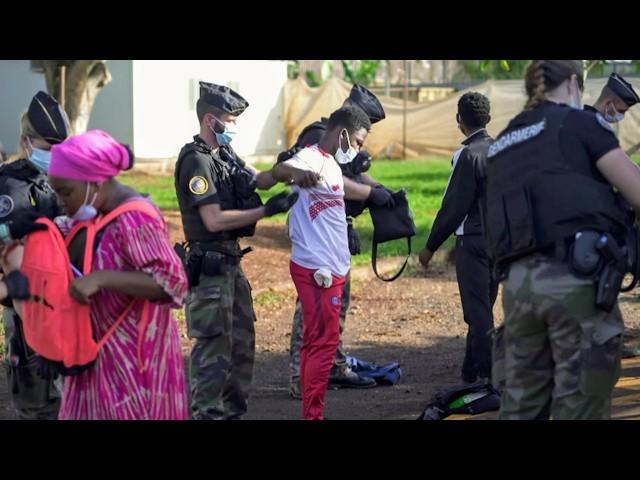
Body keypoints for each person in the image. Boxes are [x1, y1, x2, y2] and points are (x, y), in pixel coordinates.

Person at [485, 60, 640, 420]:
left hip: (518, 288)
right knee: (579, 404)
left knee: (522, 405)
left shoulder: (504, 139)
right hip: (574, 280)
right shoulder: (581, 124)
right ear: (573, 82)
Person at [45, 129, 189, 420]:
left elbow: (173, 283)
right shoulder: (96, 214)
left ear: (94, 182)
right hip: (99, 359)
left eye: (65, 192)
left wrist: (101, 279)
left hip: (135, 369)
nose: (61, 201)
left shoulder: (135, 219)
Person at [175, 81, 298, 420]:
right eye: (229, 121)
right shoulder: (196, 162)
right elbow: (212, 220)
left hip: (232, 266)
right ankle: (207, 414)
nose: (233, 127)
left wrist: (282, 170)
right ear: (209, 120)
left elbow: (256, 179)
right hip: (210, 269)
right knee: (213, 351)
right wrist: (265, 212)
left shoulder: (224, 155)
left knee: (242, 349)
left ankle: (231, 413)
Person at [272, 105, 395, 420]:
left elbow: (337, 187)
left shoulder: (331, 160)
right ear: (342, 131)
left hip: (333, 261)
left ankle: (311, 404)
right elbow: (284, 169)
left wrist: (372, 193)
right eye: (357, 141)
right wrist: (296, 173)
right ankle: (310, 406)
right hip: (318, 267)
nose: (358, 149)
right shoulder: (313, 151)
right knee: (320, 341)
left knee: (322, 340)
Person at [418, 92, 497, 385]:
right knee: (483, 306)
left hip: (472, 243)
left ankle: (491, 376)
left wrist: (430, 247)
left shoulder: (466, 155)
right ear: (488, 119)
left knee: (478, 314)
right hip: (500, 242)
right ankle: (471, 370)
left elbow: (454, 206)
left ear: (458, 120)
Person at [0, 91, 68, 420]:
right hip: (28, 310)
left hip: (68, 307)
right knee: (37, 404)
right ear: (27, 141)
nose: (54, 154)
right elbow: (8, 253)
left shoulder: (66, 178)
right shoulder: (9, 185)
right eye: (46, 146)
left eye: (60, 147)